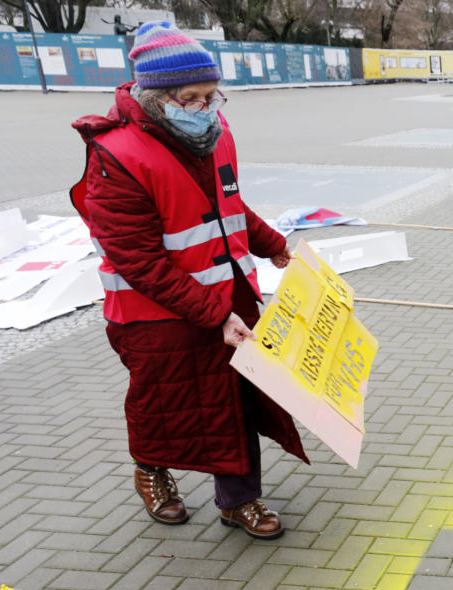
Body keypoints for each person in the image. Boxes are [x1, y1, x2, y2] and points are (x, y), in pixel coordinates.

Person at [70, 21, 308, 540]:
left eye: (211, 95)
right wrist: (213, 314)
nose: (206, 108)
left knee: (238, 401)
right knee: (164, 405)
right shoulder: (116, 156)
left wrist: (274, 246)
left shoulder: (216, 136)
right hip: (154, 316)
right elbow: (138, 259)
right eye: (192, 99)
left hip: (225, 300)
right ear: (157, 98)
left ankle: (239, 501)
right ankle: (153, 471)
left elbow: (230, 206)